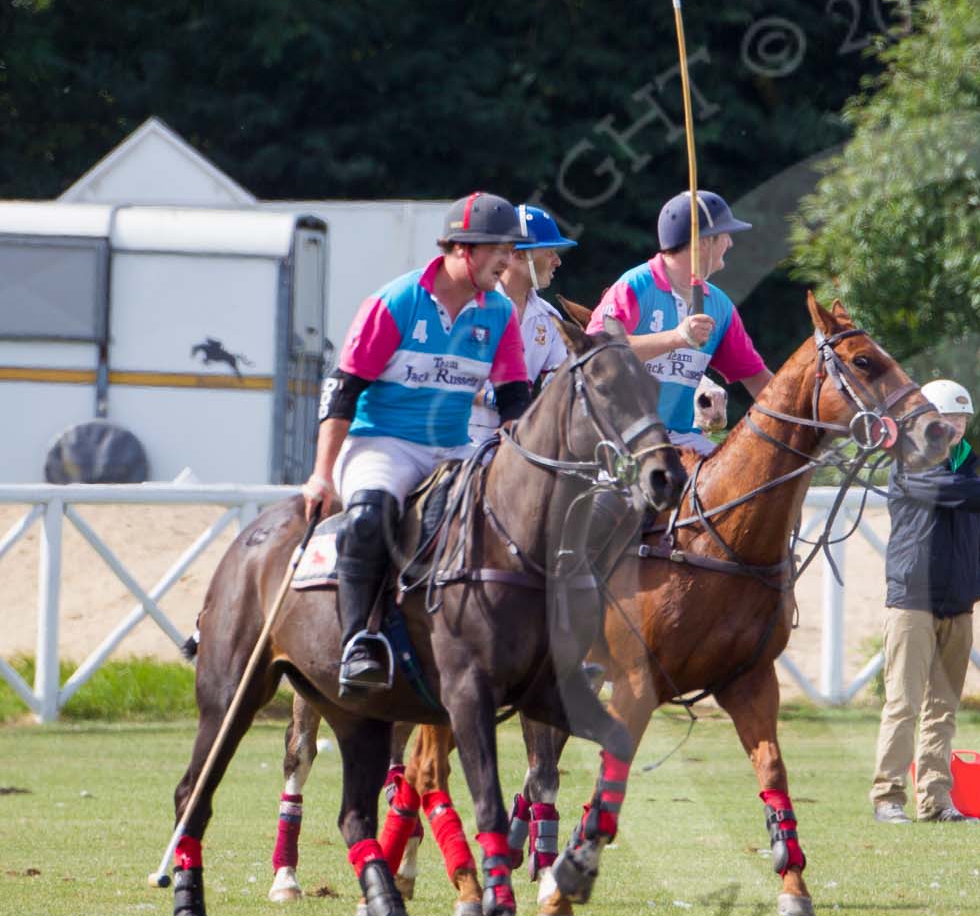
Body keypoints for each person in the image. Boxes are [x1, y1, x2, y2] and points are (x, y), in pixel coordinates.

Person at [301, 192, 530, 695]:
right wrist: (321, 472)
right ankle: (359, 641)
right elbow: (343, 391)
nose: (508, 262)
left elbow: (515, 397)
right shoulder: (396, 301)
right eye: (500, 249)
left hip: (453, 447)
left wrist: (516, 446)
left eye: (512, 251)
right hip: (383, 441)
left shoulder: (499, 313)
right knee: (369, 516)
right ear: (461, 248)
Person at [869, 381, 980, 824]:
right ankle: (888, 798)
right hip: (913, 602)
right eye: (947, 418)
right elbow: (956, 493)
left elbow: (970, 500)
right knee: (903, 704)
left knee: (942, 710)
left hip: (958, 604)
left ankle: (936, 801)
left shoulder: (967, 465)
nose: (956, 426)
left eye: (962, 419)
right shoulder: (912, 461)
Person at [587, 189, 772, 458]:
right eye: (725, 235)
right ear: (703, 243)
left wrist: (807, 416)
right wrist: (678, 337)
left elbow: (757, 378)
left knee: (741, 487)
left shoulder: (720, 306)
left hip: (680, 438)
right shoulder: (635, 285)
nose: (730, 243)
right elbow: (595, 352)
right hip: (615, 437)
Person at [469, 204, 577, 444]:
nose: (557, 261)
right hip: (462, 434)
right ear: (519, 255)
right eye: (550, 252)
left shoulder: (549, 318)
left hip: (517, 439)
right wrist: (492, 398)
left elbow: (556, 381)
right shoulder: (471, 307)